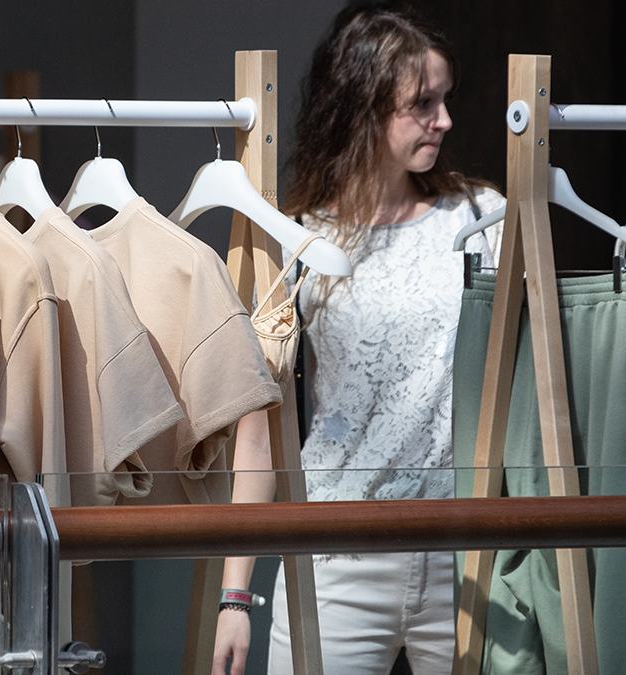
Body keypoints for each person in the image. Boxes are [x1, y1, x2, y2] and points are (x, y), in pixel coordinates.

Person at [211, 4, 505, 675]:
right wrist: (236, 595)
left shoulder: (482, 220)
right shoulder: (298, 239)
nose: (445, 120)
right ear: (363, 108)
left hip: (464, 555)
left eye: (445, 100)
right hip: (333, 554)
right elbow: (259, 432)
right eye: (422, 103)